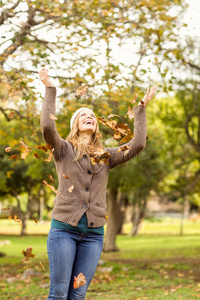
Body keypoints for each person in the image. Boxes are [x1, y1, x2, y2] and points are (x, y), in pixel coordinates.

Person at [39, 67, 156, 300]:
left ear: (97, 126)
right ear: (75, 125)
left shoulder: (107, 156)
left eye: (92, 115)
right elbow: (47, 128)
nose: (89, 116)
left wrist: (140, 107)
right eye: (83, 115)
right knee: (60, 293)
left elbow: (137, 145)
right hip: (64, 231)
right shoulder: (62, 149)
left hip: (93, 235)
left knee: (78, 294)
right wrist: (50, 89)